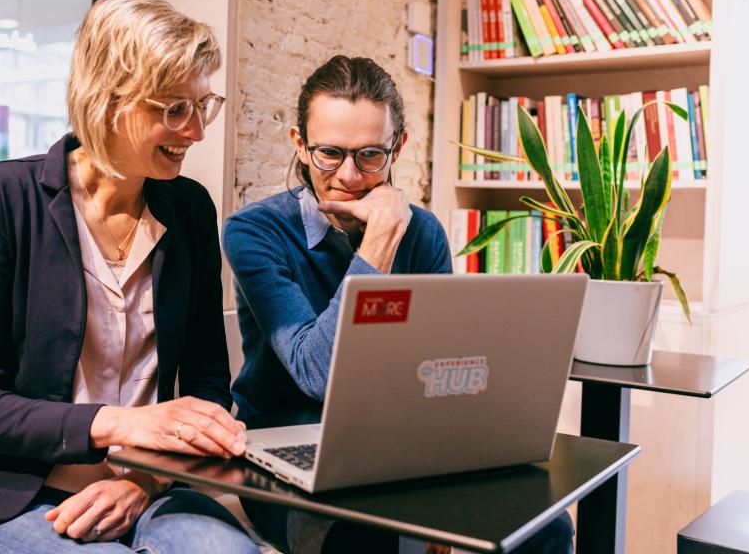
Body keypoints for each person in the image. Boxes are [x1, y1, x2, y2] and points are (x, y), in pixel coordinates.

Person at [0, 0, 258, 554]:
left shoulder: (190, 209)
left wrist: (144, 480)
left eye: (203, 106)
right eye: (174, 109)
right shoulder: (2, 197)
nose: (196, 132)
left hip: (148, 490)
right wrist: (123, 425)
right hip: (14, 497)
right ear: (110, 99)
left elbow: (207, 386)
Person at [222, 55, 574, 554]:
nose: (348, 175)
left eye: (369, 155)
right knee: (363, 535)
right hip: (285, 453)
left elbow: (446, 367)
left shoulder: (424, 232)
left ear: (398, 147)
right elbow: (317, 374)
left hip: (400, 445)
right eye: (329, 153)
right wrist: (377, 244)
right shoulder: (254, 232)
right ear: (299, 144)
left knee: (545, 528)